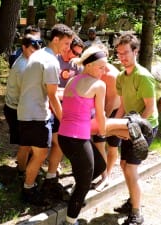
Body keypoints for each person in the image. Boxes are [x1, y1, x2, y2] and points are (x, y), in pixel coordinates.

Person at [17, 24, 74, 205]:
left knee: (51, 145)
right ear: (55, 39)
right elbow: (52, 94)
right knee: (40, 155)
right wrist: (64, 118)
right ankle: (28, 190)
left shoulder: (37, 55)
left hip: (27, 111)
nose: (68, 48)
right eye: (66, 43)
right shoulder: (51, 62)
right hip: (36, 115)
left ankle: (45, 180)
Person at [58, 46, 108, 225]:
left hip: (65, 137)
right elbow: (101, 115)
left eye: (106, 67)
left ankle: (76, 193)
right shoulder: (99, 85)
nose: (105, 71)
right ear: (89, 66)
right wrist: (103, 133)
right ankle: (70, 221)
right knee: (85, 183)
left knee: (100, 165)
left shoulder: (72, 79)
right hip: (76, 139)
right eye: (101, 67)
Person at [113, 33, 159, 225]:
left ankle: (136, 213)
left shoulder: (143, 76)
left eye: (126, 53)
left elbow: (149, 108)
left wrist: (134, 129)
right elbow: (123, 105)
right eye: (119, 53)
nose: (122, 57)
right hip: (129, 125)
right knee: (124, 165)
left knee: (131, 168)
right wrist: (113, 126)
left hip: (145, 127)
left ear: (135, 51)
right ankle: (133, 199)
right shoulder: (121, 77)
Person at [41, 35, 85, 201]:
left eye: (78, 54)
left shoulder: (77, 65)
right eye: (73, 51)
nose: (74, 56)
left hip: (65, 108)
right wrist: (62, 92)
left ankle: (51, 175)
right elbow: (48, 89)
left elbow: (78, 87)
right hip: (48, 107)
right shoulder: (55, 60)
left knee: (59, 142)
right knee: (44, 144)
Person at [3, 34, 42, 173]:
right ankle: (22, 171)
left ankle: (25, 165)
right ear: (23, 47)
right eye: (32, 50)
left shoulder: (26, 59)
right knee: (25, 144)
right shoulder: (23, 67)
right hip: (15, 109)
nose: (35, 54)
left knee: (27, 142)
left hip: (16, 106)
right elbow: (27, 93)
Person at [92, 44, 121, 191]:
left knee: (113, 145)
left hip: (114, 112)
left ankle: (107, 175)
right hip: (99, 111)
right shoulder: (93, 70)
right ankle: (101, 172)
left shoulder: (111, 75)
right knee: (98, 143)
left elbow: (110, 102)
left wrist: (101, 123)